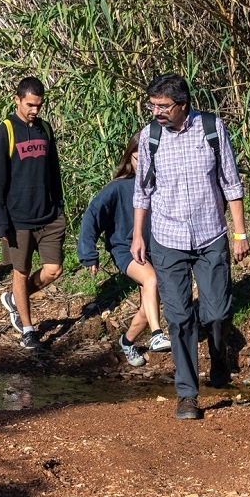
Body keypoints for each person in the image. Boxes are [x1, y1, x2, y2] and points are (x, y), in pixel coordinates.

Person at [131, 73, 249, 421]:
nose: (156, 112)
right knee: (179, 317)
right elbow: (142, 191)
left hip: (211, 235)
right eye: (152, 105)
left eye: (163, 106)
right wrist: (138, 235)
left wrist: (239, 233)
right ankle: (187, 394)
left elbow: (231, 183)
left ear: (183, 105)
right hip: (167, 240)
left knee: (217, 312)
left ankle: (218, 359)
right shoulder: (150, 137)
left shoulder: (212, 129)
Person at [76, 132, 171, 367]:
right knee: (152, 281)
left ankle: (127, 342)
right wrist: (88, 253)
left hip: (155, 249)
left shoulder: (162, 184)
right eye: (139, 159)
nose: (144, 165)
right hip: (125, 249)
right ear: (130, 158)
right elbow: (92, 215)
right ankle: (158, 335)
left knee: (147, 307)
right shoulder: (118, 188)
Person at [0, 76, 67, 351]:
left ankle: (14, 298)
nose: (35, 110)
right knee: (20, 272)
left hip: (49, 217)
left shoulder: (45, 129)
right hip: (18, 220)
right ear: (18, 100)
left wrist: (59, 207)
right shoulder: (6, 131)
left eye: (39, 105)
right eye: (30, 105)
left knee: (54, 270)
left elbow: (54, 171)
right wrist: (1, 226)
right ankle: (28, 329)